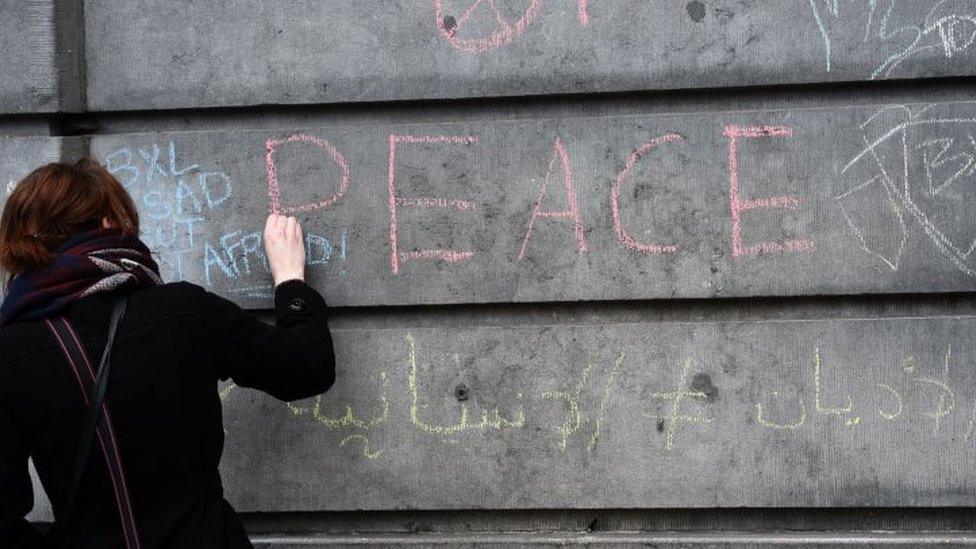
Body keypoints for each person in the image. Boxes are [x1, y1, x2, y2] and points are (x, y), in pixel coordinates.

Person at [0, 158, 336, 548]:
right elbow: (307, 368)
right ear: (109, 223)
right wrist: (291, 281)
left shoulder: (10, 353)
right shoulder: (183, 311)